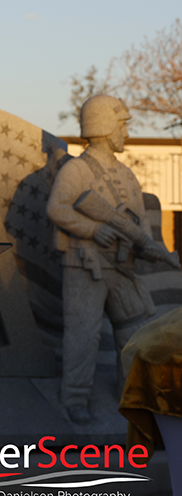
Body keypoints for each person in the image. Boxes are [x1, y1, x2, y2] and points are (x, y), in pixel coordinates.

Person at [47, 94, 176, 424]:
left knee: (138, 331)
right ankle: (76, 397)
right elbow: (57, 208)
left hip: (122, 265)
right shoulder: (76, 169)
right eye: (122, 126)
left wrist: (150, 248)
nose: (126, 133)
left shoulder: (128, 175)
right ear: (104, 127)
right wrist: (92, 228)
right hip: (85, 265)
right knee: (83, 334)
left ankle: (133, 398)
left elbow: (141, 228)